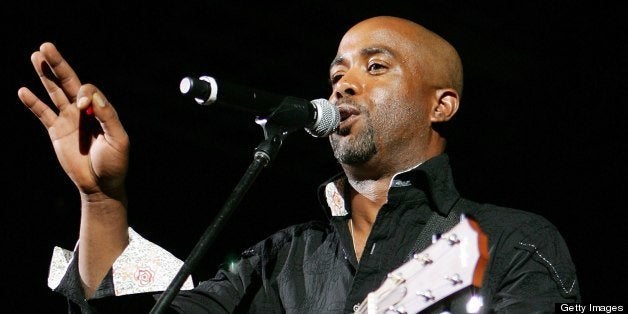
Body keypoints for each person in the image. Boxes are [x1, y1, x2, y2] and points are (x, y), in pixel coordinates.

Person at [18, 16, 580, 313]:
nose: (344, 84)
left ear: (442, 104)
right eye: (337, 74)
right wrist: (102, 200)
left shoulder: (510, 240)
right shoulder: (283, 259)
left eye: (376, 66)